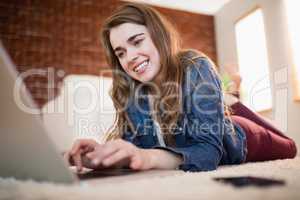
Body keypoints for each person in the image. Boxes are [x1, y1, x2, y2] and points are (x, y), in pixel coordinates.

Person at [64, 3, 297, 172]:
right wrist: (103, 155)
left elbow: (208, 153)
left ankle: (232, 100)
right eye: (121, 53)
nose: (131, 57)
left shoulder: (195, 66)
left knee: (290, 147)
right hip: (214, 116)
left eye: (137, 41)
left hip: (241, 136)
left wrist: (148, 158)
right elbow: (133, 149)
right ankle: (227, 98)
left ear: (158, 36)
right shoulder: (130, 92)